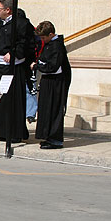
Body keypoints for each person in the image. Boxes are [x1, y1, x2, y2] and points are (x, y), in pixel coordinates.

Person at [0, 0, 34, 142]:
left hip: (12, 68)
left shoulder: (21, 24)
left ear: (8, 10)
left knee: (12, 101)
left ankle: (14, 133)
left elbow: (26, 43)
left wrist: (14, 53)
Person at [31, 21, 71, 149]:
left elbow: (53, 66)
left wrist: (38, 66)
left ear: (51, 34)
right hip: (48, 80)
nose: (42, 40)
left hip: (56, 82)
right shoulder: (50, 45)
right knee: (46, 108)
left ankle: (55, 139)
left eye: (44, 37)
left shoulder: (57, 46)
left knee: (54, 109)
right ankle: (48, 136)